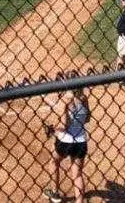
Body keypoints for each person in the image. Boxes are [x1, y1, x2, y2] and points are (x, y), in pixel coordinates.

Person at [44, 73, 91, 203]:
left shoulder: (65, 100)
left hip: (65, 141)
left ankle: (54, 193)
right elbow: (87, 118)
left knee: (54, 161)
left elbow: (63, 125)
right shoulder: (84, 98)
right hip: (81, 141)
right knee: (77, 175)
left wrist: (53, 130)